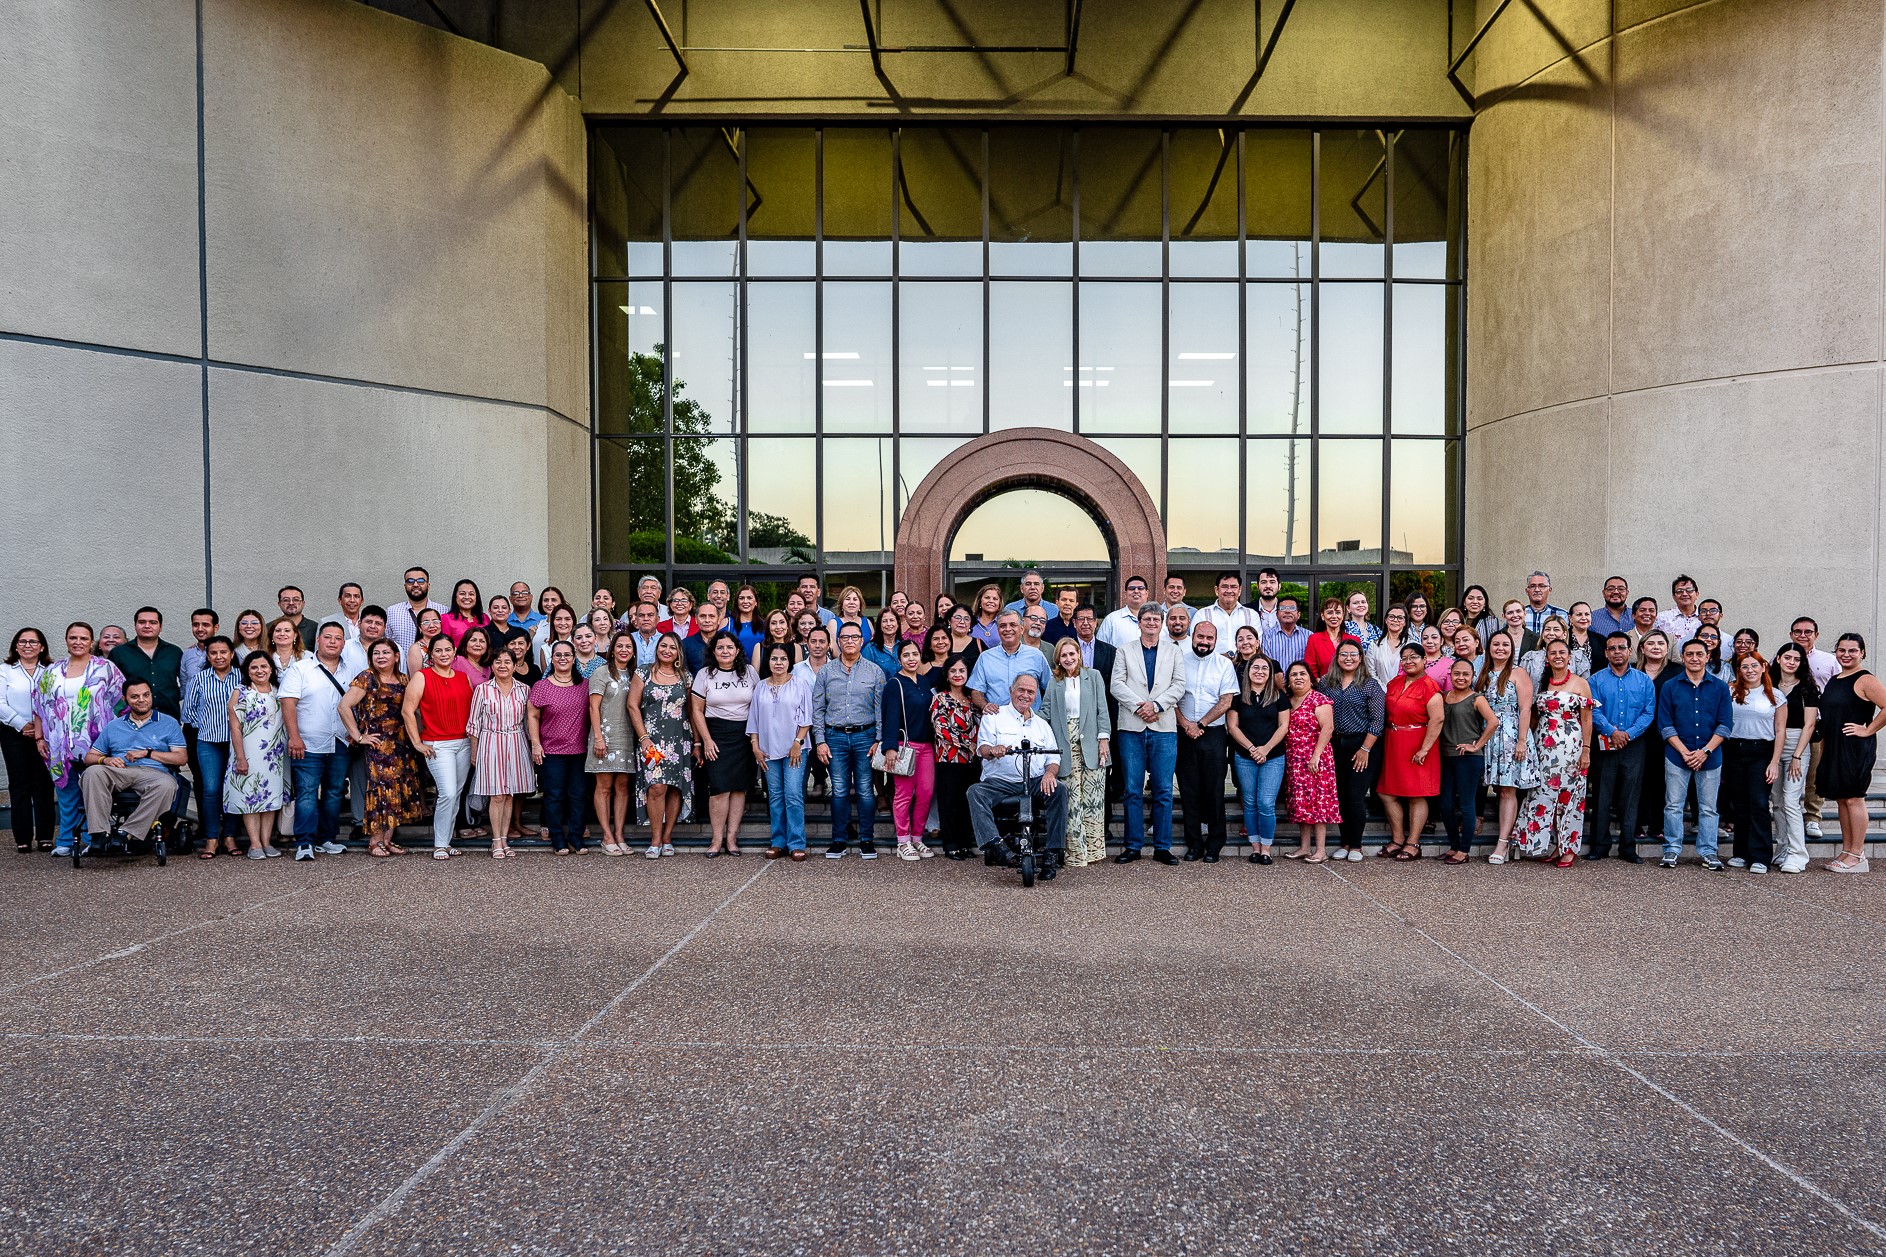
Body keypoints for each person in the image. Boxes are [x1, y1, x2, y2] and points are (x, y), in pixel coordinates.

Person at [30, 622, 125, 855]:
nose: (78, 642)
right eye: (73, 637)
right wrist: (39, 738)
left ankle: (89, 839)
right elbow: (39, 705)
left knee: (91, 791)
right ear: (66, 640)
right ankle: (65, 840)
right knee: (65, 790)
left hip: (95, 741)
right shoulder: (52, 671)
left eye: (83, 638)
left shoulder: (106, 668)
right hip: (58, 742)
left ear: (91, 641)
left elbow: (121, 702)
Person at [1109, 604, 1186, 865]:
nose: (1151, 622)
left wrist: (1157, 705)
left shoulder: (1173, 651)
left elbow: (1179, 684)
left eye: (1156, 619)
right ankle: (1133, 846)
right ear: (1139, 622)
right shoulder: (1124, 650)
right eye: (1147, 619)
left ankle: (1162, 847)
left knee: (1163, 790)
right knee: (1133, 790)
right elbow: (1116, 684)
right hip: (1132, 727)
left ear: (1161, 623)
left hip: (1163, 728)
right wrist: (1140, 706)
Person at [967, 674, 1066, 876]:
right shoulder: (994, 716)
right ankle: (997, 847)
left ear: (1036, 695)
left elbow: (1053, 758)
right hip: (1001, 782)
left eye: (1030, 692)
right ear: (1011, 691)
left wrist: (1049, 774)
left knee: (1060, 790)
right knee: (975, 792)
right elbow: (982, 748)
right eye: (1021, 690)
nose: (1025, 695)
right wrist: (993, 750)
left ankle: (1052, 852)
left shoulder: (1042, 725)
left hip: (1035, 780)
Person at [76, 678, 186, 853]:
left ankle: (125, 833)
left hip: (154, 772)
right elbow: (90, 756)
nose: (141, 700)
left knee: (168, 785)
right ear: (125, 699)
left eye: (146, 695)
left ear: (151, 696)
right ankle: (99, 835)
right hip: (120, 771)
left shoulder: (168, 723)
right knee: (93, 772)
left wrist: (148, 753)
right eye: (135, 696)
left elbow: (181, 758)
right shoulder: (114, 726)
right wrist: (105, 760)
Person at [280, 622, 361, 861]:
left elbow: (359, 704)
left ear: (343, 643)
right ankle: (305, 841)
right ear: (318, 640)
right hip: (307, 742)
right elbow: (288, 704)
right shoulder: (301, 669)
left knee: (334, 792)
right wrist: (294, 737)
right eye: (328, 637)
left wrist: (354, 732)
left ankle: (327, 838)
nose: (333, 642)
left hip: (340, 741)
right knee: (306, 792)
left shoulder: (351, 671)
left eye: (338, 638)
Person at [338, 639, 424, 858]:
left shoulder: (404, 679)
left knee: (396, 792)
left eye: (386, 652)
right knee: (381, 792)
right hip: (379, 746)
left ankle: (387, 840)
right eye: (376, 653)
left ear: (396, 656)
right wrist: (358, 736)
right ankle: (375, 841)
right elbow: (344, 706)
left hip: (402, 744)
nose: (381, 656)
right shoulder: (366, 678)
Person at [1656, 637, 1734, 870]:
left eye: (1699, 654)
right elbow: (1665, 724)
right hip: (1677, 755)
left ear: (1707, 657)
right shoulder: (1670, 686)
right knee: (1673, 805)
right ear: (1683, 657)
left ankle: (1709, 852)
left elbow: (1725, 724)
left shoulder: (1720, 687)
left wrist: (1704, 752)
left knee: (1709, 807)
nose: (1694, 658)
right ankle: (1671, 850)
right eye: (1689, 654)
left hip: (1710, 757)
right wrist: (1686, 752)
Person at [1514, 639, 1593, 867]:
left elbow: (1587, 719)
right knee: (1545, 796)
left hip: (1572, 749)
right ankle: (1555, 845)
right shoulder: (1542, 684)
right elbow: (1535, 717)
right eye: (1552, 653)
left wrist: (1586, 750)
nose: (1558, 656)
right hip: (1544, 749)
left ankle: (1568, 848)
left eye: (1562, 652)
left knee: (1569, 799)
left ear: (1569, 657)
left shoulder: (1580, 684)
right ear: (1546, 658)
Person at [814, 622, 886, 860]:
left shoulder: (874, 671)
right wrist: (820, 740)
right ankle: (838, 841)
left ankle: (867, 839)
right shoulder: (826, 671)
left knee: (866, 790)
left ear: (862, 641)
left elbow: (880, 709)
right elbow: (818, 709)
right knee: (840, 790)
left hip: (865, 737)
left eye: (855, 637)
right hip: (834, 737)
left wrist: (879, 739)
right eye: (845, 637)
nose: (850, 641)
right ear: (839, 641)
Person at [1817, 634, 1886, 873]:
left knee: (1854, 798)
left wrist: (1868, 730)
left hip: (1855, 747)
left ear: (1862, 653)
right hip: (1835, 746)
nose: (1846, 655)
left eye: (1852, 651)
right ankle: (1847, 851)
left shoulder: (1865, 679)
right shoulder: (1835, 679)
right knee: (1842, 798)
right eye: (1842, 650)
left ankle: (1857, 855)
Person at [1041, 636, 1111, 869]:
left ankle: (1094, 851)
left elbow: (1103, 710)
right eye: (1064, 655)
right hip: (1065, 745)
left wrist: (1104, 739)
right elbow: (1046, 712)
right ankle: (1075, 854)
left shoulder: (1094, 677)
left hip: (1092, 743)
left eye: (1072, 654)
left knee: (1093, 801)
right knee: (1072, 801)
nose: (1069, 658)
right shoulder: (1054, 682)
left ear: (1079, 655)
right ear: (1058, 659)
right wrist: (1021, 716)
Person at [1585, 633, 1655, 863]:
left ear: (1630, 650)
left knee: (1630, 796)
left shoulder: (1644, 680)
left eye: (1621, 648)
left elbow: (1648, 712)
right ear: (1606, 652)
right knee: (1602, 796)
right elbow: (1593, 710)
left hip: (1634, 746)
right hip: (1605, 744)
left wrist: (1628, 734)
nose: (1617, 652)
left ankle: (1627, 848)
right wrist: (1612, 732)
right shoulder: (1595, 680)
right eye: (1612, 648)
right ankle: (1599, 846)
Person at [403, 634, 474, 861]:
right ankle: (440, 844)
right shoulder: (422, 677)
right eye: (438, 650)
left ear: (454, 652)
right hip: (437, 744)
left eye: (448, 650)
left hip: (463, 743)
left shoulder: (464, 678)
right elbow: (407, 710)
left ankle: (447, 840)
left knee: (456, 794)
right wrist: (416, 742)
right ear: (430, 655)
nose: (444, 654)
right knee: (448, 792)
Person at [460, 647, 533, 861]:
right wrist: (474, 752)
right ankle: (496, 841)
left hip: (516, 741)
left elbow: (528, 723)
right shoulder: (482, 690)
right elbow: (473, 724)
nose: (503, 666)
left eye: (507, 662)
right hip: (490, 741)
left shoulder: (523, 689)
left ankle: (504, 838)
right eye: (498, 662)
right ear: (492, 665)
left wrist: (532, 746)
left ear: (514, 665)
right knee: (497, 794)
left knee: (510, 794)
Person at [690, 631, 758, 857]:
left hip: (743, 736)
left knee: (739, 788)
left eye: (729, 647)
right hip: (716, 734)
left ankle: (732, 840)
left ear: (737, 650)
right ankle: (716, 840)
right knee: (719, 788)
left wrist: (756, 739)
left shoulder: (749, 672)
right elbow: (696, 711)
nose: (725, 651)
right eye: (720, 648)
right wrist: (705, 741)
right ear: (713, 651)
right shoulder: (704, 675)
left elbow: (758, 706)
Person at [1174, 621, 1237, 863]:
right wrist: (1186, 725)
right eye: (1200, 636)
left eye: (1209, 638)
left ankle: (1214, 843)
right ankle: (1194, 844)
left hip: (1213, 734)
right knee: (1189, 791)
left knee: (1214, 790)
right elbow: (1172, 698)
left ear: (1215, 640)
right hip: (1184, 732)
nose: (1204, 641)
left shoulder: (1224, 665)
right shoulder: (1179, 661)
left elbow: (1225, 701)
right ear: (1192, 636)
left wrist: (1199, 725)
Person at [1317, 640, 1384, 861]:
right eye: (1343, 654)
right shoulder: (1326, 683)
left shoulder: (1370, 684)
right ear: (1337, 657)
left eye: (1353, 654)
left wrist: (1365, 748)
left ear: (1361, 657)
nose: (1348, 658)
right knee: (1340, 796)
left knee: (1355, 796)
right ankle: (1344, 842)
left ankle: (1356, 845)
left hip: (1362, 746)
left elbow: (1377, 721)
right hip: (1335, 744)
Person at [1378, 644, 1445, 861]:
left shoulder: (1429, 686)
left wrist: (1425, 748)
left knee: (1416, 793)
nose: (1408, 661)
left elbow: (1438, 719)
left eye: (1414, 657)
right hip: (1394, 740)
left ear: (1425, 659)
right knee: (1386, 792)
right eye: (1404, 658)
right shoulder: (1394, 683)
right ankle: (1397, 839)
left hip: (1418, 743)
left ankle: (1413, 842)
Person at [1478, 631, 1539, 865]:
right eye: (1496, 644)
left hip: (1511, 735)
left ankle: (1502, 842)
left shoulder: (1518, 673)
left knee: (1507, 789)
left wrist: (1522, 740)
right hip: (1488, 734)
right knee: (1494, 787)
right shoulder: (1483, 673)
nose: (1500, 648)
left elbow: (1525, 709)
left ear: (1512, 648)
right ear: (1489, 647)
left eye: (1505, 644)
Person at [629, 632, 692, 859]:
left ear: (678, 653)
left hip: (679, 740)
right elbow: (632, 706)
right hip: (652, 740)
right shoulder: (644, 671)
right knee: (656, 786)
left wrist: (696, 742)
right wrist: (643, 738)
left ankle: (667, 837)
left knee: (674, 787)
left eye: (672, 647)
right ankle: (654, 840)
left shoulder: (685, 677)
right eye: (663, 645)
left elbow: (692, 711)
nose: (667, 650)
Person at [526, 640, 592, 857]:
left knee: (578, 795)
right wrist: (536, 744)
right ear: (551, 659)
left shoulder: (585, 685)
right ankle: (557, 838)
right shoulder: (542, 686)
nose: (562, 658)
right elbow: (533, 716)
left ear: (574, 658)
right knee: (554, 796)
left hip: (580, 750)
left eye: (567, 655)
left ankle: (575, 837)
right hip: (552, 751)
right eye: (558, 655)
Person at [1721, 652, 1784, 875]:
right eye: (1744, 666)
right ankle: (1741, 852)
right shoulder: (1730, 692)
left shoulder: (1775, 695)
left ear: (1763, 667)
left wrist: (1774, 762)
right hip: (1734, 750)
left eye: (1754, 665)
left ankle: (1760, 856)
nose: (1749, 670)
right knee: (1739, 803)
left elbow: (1779, 730)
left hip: (1761, 752)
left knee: (1758, 802)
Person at [748, 642, 812, 860]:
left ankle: (796, 843)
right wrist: (755, 745)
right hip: (767, 750)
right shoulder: (761, 687)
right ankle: (778, 842)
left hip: (794, 748)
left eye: (783, 659)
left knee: (793, 794)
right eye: (774, 658)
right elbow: (754, 719)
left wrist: (797, 743)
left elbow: (807, 718)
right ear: (768, 661)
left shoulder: (800, 684)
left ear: (789, 662)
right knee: (775, 797)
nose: (778, 663)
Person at [223, 652, 287, 859]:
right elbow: (235, 728)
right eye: (254, 668)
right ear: (247, 671)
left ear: (271, 669)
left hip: (274, 756)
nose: (260, 671)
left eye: (263, 667)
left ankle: (267, 842)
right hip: (248, 753)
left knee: (270, 798)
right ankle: (255, 844)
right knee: (250, 798)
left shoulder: (279, 691)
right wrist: (240, 757)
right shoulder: (240, 692)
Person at [1227, 655, 1290, 865]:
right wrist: (1253, 749)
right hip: (1245, 756)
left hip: (1273, 756)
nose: (1260, 671)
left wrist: (1265, 749)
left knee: (1265, 802)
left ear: (1270, 673)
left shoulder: (1279, 696)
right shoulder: (1238, 696)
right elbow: (1233, 726)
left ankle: (1266, 848)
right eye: (1256, 667)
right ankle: (1255, 847)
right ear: (1248, 671)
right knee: (1250, 802)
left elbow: (1283, 726)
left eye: (1265, 668)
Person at [881, 640, 939, 861]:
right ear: (899, 658)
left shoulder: (924, 683)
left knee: (925, 794)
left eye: (915, 654)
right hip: (905, 747)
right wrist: (890, 748)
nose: (911, 658)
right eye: (906, 655)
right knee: (903, 795)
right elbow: (890, 717)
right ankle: (903, 841)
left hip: (927, 747)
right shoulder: (894, 684)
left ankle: (917, 837)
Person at [1766, 643, 1820, 874]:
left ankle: (1798, 854)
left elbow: (1810, 724)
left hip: (1798, 745)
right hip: (1772, 744)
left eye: (1796, 659)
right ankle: (1783, 848)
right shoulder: (1767, 684)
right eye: (1787, 657)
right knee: (1777, 801)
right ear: (1778, 658)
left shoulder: (1808, 687)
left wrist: (1797, 755)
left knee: (1790, 801)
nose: (1791, 662)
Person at [0, 627, 55, 853]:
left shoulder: (52, 670)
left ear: (42, 647)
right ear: (15, 646)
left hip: (47, 735)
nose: (27, 645)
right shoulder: (5, 670)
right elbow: (0, 702)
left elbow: (56, 701)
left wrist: (40, 728)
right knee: (20, 785)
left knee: (44, 784)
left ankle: (45, 837)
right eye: (22, 642)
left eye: (33, 642)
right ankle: (22, 837)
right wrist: (22, 724)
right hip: (13, 733)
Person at [1436, 659, 1495, 865]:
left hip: (1468, 759)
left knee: (1467, 805)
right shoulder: (1444, 697)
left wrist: (1477, 745)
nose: (1461, 678)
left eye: (1466, 674)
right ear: (1450, 674)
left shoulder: (1477, 698)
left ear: (1472, 676)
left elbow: (1493, 722)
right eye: (1457, 674)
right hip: (1446, 757)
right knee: (1445, 805)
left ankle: (1464, 849)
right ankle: (1453, 846)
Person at [586, 633, 638, 855]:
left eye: (628, 646)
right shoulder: (601, 672)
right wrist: (598, 737)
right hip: (605, 735)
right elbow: (593, 707)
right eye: (620, 646)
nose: (624, 649)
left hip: (627, 736)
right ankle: (606, 836)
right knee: (604, 786)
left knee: (623, 787)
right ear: (612, 649)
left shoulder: (636, 674)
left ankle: (619, 834)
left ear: (633, 651)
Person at [1282, 660, 1339, 862]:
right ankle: (1304, 847)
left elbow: (1327, 728)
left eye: (1302, 674)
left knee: (1318, 804)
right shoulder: (1287, 701)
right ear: (1288, 681)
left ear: (1311, 678)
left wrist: (1315, 756)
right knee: (1300, 803)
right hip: (1294, 759)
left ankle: (1321, 850)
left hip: (1316, 758)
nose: (1298, 677)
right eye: (1294, 674)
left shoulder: (1319, 699)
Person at [929, 657, 981, 860]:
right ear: (947, 674)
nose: (958, 674)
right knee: (949, 802)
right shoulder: (940, 698)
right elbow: (941, 728)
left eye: (962, 670)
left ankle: (965, 843)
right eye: (953, 671)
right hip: (948, 758)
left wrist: (976, 746)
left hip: (971, 761)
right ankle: (951, 845)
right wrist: (968, 744)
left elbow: (979, 726)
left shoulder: (972, 699)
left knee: (966, 802)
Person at [1632, 630, 1678, 850]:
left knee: (1661, 779)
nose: (1656, 647)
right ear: (1642, 647)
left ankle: (1658, 825)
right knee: (1636, 778)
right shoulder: (1632, 671)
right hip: (1637, 733)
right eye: (1651, 643)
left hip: (1666, 733)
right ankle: (1636, 823)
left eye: (1661, 643)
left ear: (1667, 648)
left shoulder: (1677, 672)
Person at [108, 607, 184, 718]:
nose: (147, 626)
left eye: (153, 622)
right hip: (131, 720)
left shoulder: (174, 652)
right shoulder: (119, 653)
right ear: (135, 626)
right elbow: (111, 688)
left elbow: (185, 682)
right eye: (142, 622)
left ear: (160, 627)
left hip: (169, 717)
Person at [967, 610, 1050, 712]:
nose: (1007, 629)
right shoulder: (985, 657)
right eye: (1002, 626)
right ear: (998, 630)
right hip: (997, 719)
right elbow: (976, 691)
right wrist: (985, 705)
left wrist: (1044, 713)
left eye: (1012, 625)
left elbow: (1050, 688)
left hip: (1029, 721)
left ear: (1022, 629)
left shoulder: (1036, 656)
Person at [1192, 571, 1262, 650]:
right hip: (1211, 662)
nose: (1229, 591)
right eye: (1224, 586)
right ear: (1216, 590)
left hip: (1245, 662)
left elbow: (1255, 645)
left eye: (1233, 587)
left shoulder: (1251, 615)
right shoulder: (1202, 614)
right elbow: (1196, 644)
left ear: (1240, 590)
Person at [385, 568, 444, 655]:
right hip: (401, 667)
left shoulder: (443, 611)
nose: (415, 584)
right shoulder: (392, 611)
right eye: (410, 581)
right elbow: (386, 642)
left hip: (434, 667)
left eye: (421, 581)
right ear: (405, 586)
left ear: (428, 585)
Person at [1304, 597, 1354, 681]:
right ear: (1323, 616)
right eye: (1330, 613)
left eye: (1338, 613)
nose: (1334, 616)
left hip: (1351, 689)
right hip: (1323, 689)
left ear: (1342, 616)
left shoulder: (1353, 640)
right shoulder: (1314, 639)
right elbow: (1310, 669)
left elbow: (1359, 668)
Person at [1097, 575, 1154, 648]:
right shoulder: (1112, 619)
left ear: (1147, 593)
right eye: (1131, 588)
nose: (1136, 591)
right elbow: (1101, 649)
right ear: (1125, 594)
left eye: (1140, 588)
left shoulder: (1159, 619)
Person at [1366, 604, 1412, 685]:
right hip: (1379, 693)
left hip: (1405, 693)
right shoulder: (1374, 646)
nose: (1395, 620)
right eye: (1391, 616)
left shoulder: (1412, 645)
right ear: (1386, 620)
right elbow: (1371, 673)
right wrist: (1383, 690)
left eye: (1400, 618)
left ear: (1405, 622)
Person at [1260, 596, 1310, 670]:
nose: (1287, 611)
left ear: (1298, 614)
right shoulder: (1267, 637)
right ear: (1276, 614)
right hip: (1275, 680)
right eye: (1283, 608)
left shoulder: (1309, 636)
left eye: (1292, 608)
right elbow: (1266, 664)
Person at [1653, 574, 1702, 643]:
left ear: (1697, 594)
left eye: (1689, 590)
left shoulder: (1704, 618)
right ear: (1673, 596)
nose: (1684, 594)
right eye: (1679, 591)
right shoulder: (1661, 618)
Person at [440, 580, 487, 646]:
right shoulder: (446, 619)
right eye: (462, 594)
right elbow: (444, 646)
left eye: (471, 594)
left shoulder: (484, 618)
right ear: (455, 596)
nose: (467, 597)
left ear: (476, 597)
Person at [535, 604, 578, 674]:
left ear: (573, 622)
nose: (563, 623)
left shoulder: (579, 645)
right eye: (558, 619)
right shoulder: (545, 648)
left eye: (567, 619)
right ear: (553, 622)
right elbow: (546, 678)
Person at [404, 607, 444, 676]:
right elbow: (415, 678)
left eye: (435, 621)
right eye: (426, 622)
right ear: (420, 628)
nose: (432, 625)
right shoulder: (416, 649)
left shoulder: (447, 644)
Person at [276, 586, 317, 651]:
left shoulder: (315, 628)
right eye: (286, 600)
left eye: (296, 600)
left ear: (303, 603)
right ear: (279, 604)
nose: (291, 603)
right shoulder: (270, 628)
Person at [865, 608, 904, 676]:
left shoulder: (904, 646)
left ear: (898, 623)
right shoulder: (870, 648)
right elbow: (865, 675)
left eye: (892, 620)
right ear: (879, 624)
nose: (888, 624)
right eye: (885, 621)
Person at [727, 584, 765, 654]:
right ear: (737, 602)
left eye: (749, 598)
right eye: (741, 598)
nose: (745, 601)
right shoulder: (728, 623)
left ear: (756, 602)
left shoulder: (765, 625)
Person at [945, 605, 984, 672]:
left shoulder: (978, 643)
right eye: (958, 618)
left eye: (966, 619)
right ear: (949, 620)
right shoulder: (942, 642)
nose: (962, 622)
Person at [969, 583, 1005, 648]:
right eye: (987, 597)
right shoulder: (970, 623)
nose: (991, 601)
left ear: (999, 604)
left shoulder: (1004, 624)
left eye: (995, 599)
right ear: (980, 601)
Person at [1250, 568, 1284, 633]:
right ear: (1257, 586)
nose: (1268, 586)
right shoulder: (1247, 610)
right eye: (1263, 582)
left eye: (1272, 582)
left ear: (1279, 586)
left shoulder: (1288, 610)